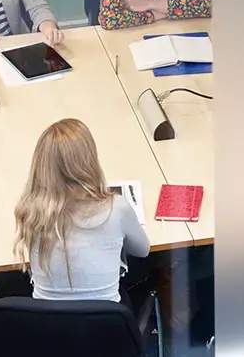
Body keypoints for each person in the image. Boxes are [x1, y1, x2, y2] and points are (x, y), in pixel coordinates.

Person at [13, 118, 150, 305]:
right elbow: (143, 251)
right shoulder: (117, 208)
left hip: (46, 326)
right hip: (105, 324)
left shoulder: (31, 211)